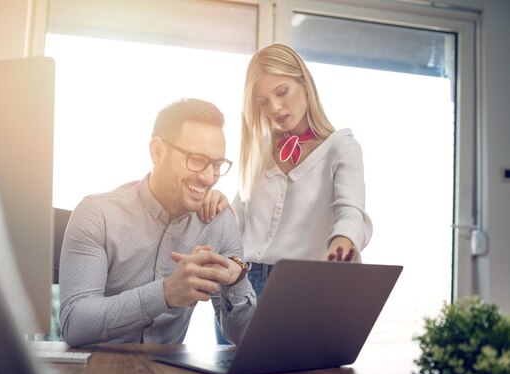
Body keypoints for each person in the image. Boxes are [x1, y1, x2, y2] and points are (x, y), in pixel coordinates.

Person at [201, 43, 373, 344]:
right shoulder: (259, 152)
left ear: (304, 84)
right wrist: (220, 204)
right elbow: (240, 222)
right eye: (263, 102)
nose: (275, 109)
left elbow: (350, 213)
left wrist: (343, 239)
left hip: (295, 287)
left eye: (282, 92)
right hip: (241, 283)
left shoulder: (341, 147)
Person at [59, 98, 256, 347]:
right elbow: (74, 324)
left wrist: (237, 282)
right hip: (95, 372)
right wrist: (165, 293)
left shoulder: (220, 223)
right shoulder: (96, 214)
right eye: (196, 159)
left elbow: (244, 338)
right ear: (157, 151)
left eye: (217, 164)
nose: (208, 177)